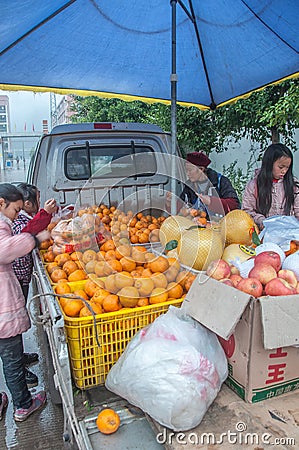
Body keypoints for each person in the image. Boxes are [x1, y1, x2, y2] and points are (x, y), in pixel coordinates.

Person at [0, 183, 48, 422]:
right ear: (1, 203)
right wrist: (34, 239)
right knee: (11, 359)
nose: (17, 214)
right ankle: (23, 404)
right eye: (15, 209)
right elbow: (6, 249)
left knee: (9, 356)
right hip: (2, 310)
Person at [11, 183, 57, 387]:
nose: (39, 202)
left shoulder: (20, 218)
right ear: (26, 203)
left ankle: (19, 356)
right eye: (37, 199)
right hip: (15, 279)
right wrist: (39, 238)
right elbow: (29, 233)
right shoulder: (15, 222)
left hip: (19, 278)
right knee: (12, 327)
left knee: (17, 322)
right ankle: (17, 365)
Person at [242, 143, 299, 230]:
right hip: (263, 234)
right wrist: (262, 221)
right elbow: (246, 212)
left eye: (287, 168)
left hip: (289, 234)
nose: (284, 171)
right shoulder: (254, 186)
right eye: (281, 167)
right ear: (269, 164)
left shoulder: (293, 185)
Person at [166, 151, 240, 217]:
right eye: (186, 171)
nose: (187, 174)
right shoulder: (189, 185)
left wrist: (211, 201)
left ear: (201, 169)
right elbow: (180, 209)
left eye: (190, 170)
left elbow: (235, 205)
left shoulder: (220, 181)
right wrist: (171, 203)